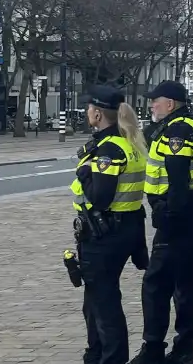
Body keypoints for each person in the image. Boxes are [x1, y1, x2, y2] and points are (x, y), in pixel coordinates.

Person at [131, 81, 193, 364]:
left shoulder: (178, 131)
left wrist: (168, 213)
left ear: (171, 103)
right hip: (192, 211)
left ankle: (154, 347)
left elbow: (177, 179)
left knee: (156, 283)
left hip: (178, 215)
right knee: (185, 282)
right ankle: (185, 347)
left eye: (156, 100)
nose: (152, 104)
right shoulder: (186, 124)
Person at [72, 85, 149, 364]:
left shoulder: (108, 149)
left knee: (104, 304)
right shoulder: (129, 142)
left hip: (104, 233)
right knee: (95, 301)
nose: (86, 113)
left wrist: (84, 174)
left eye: (88, 109)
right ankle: (95, 355)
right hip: (126, 227)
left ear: (97, 113)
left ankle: (111, 358)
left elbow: (100, 198)